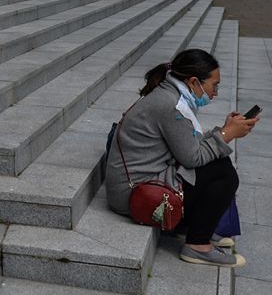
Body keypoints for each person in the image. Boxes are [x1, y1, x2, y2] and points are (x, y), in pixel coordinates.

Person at [105, 48, 258, 267]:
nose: (215, 92)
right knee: (223, 173)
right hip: (133, 194)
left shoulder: (172, 96)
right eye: (214, 85)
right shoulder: (171, 106)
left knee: (218, 163)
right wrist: (226, 135)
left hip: (147, 179)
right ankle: (197, 246)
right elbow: (192, 158)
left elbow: (188, 145)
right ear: (194, 82)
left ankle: (194, 229)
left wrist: (225, 130)